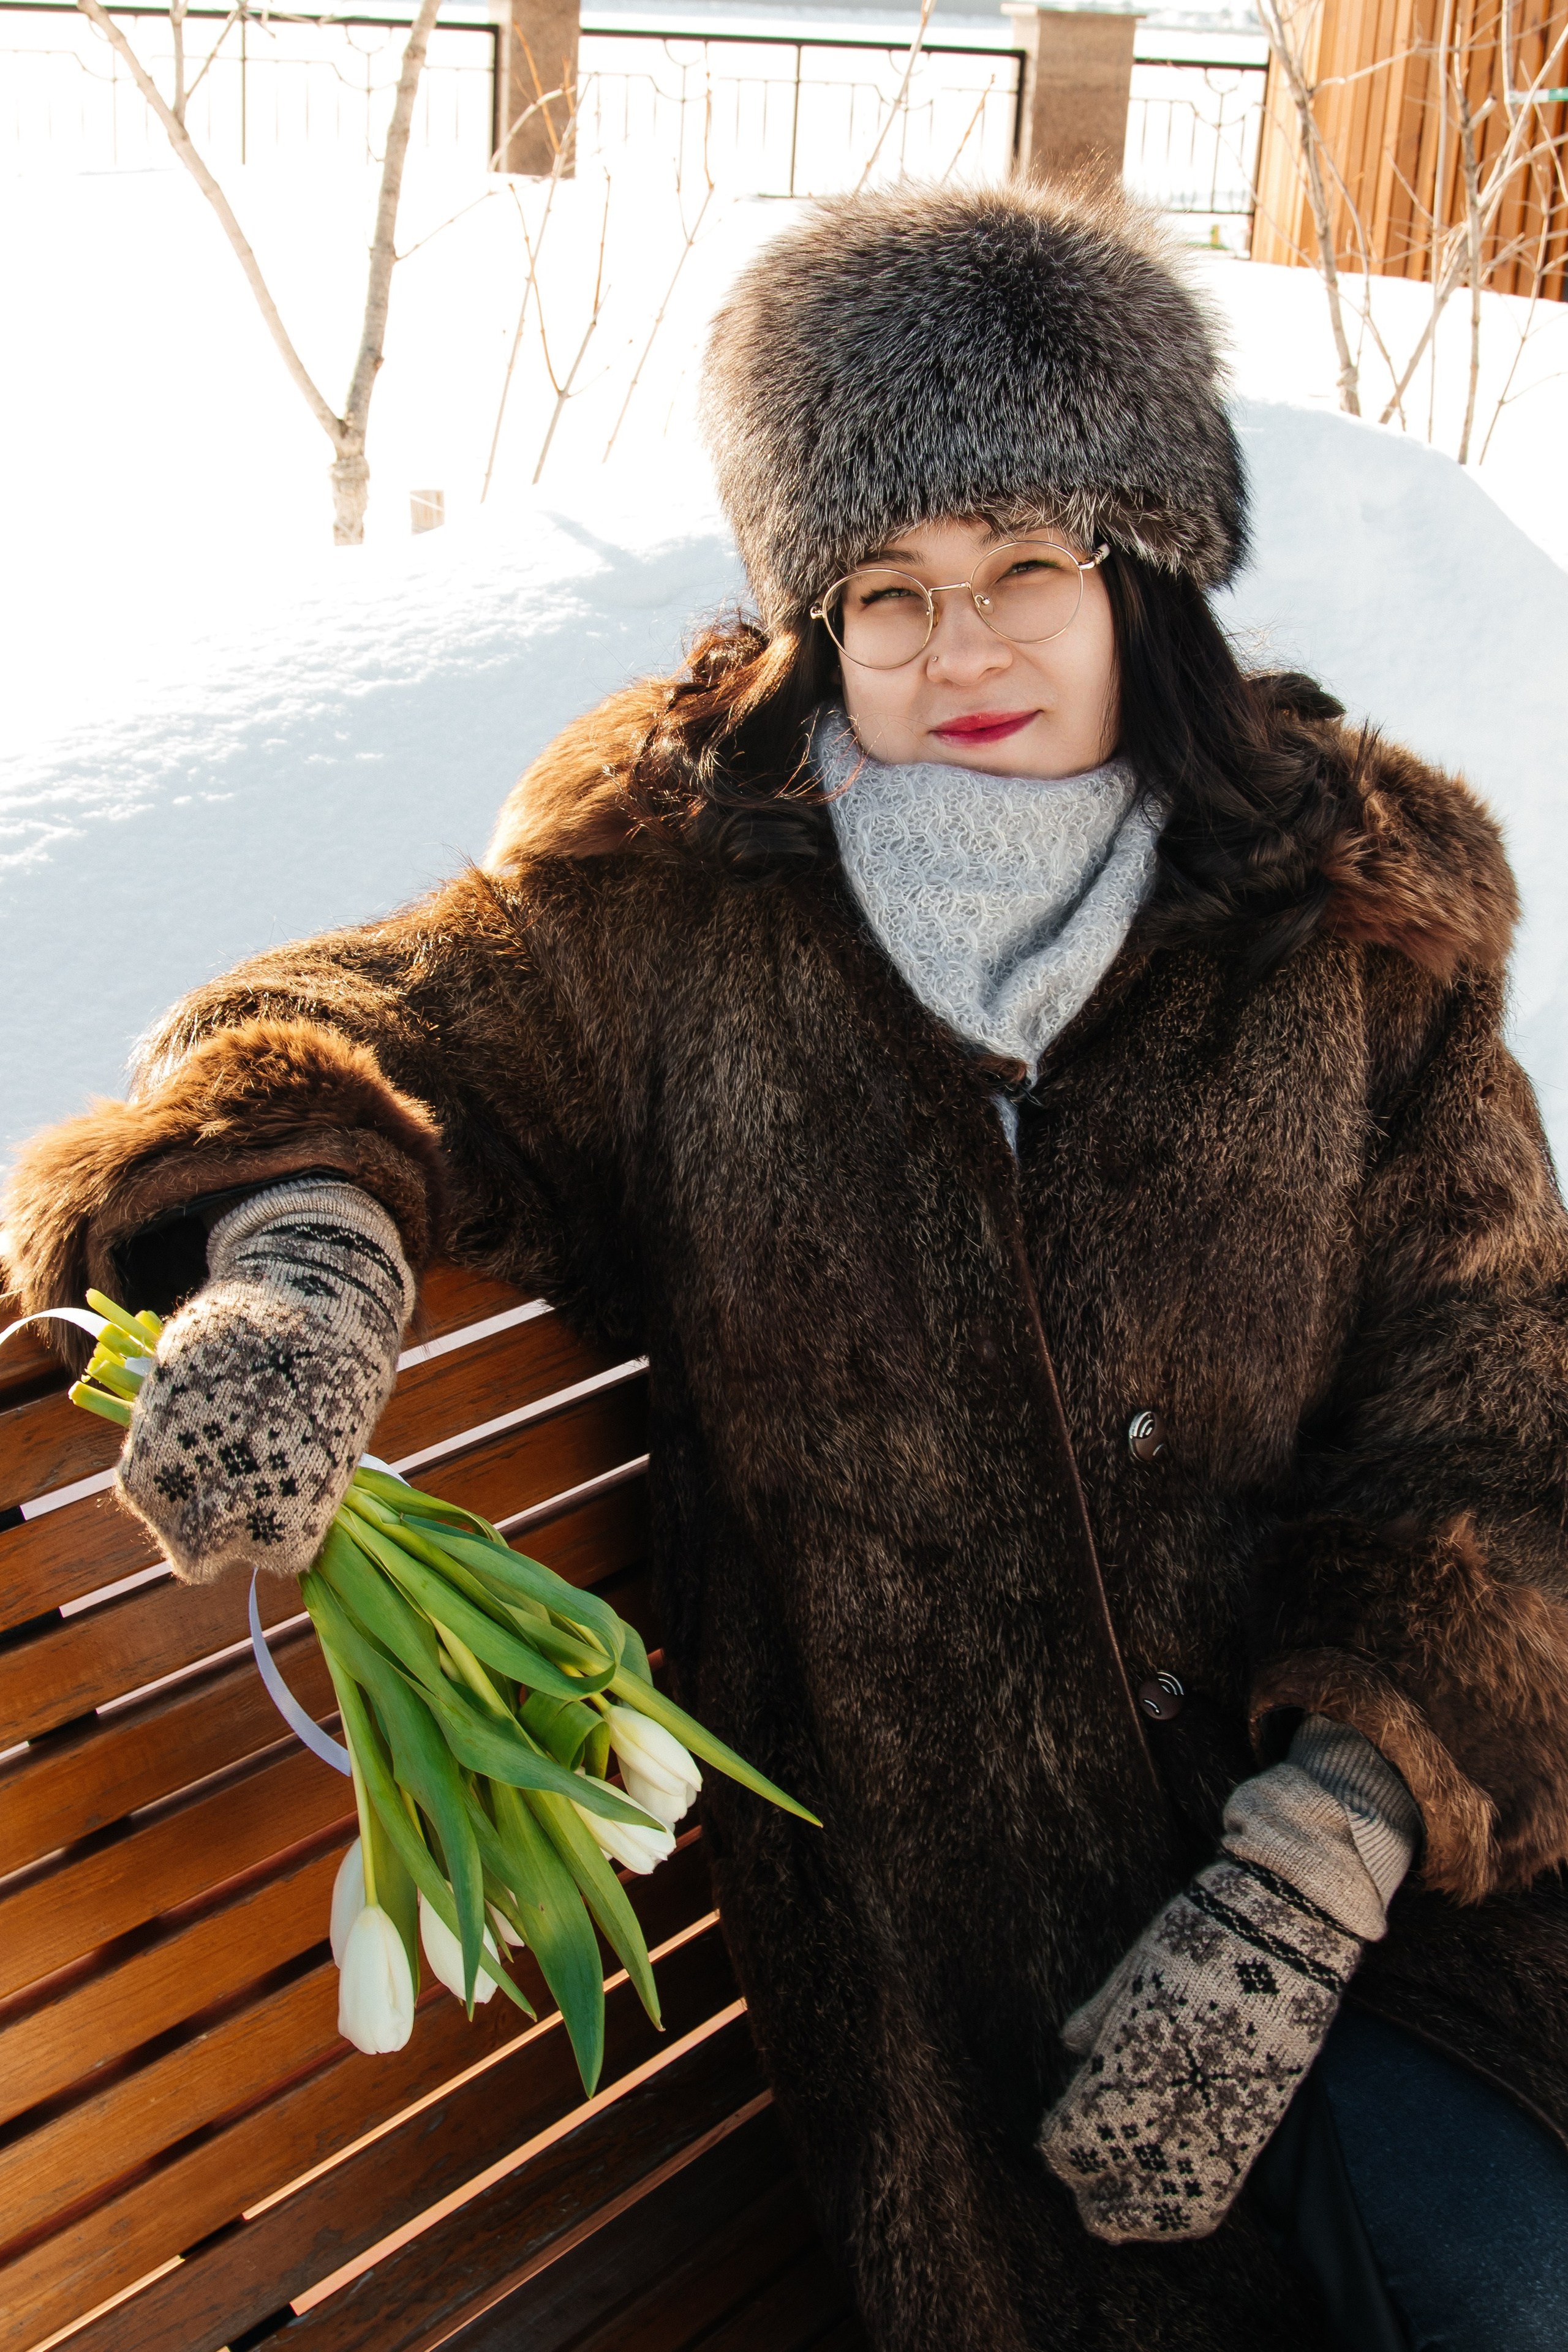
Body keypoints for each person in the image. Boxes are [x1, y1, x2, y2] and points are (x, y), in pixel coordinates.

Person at [7, 181, 1568, 2352]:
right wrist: (295, 1262)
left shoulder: (1352, 938)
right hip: (963, 1989)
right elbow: (352, 1032)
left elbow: (1500, 1436)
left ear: (1151, 575)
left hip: (1394, 1897)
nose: (965, 649)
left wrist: (1302, 1890)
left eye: (1030, 567)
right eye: (887, 590)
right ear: (807, 610)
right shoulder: (675, 910)